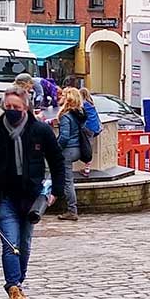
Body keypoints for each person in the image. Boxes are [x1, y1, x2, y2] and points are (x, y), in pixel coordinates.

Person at [0, 89, 70, 299]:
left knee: (24, 245)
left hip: (31, 196)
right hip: (3, 197)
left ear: (26, 108)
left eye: (17, 108)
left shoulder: (40, 130)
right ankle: (13, 289)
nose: (12, 112)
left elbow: (56, 160)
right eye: (9, 107)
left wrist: (56, 191)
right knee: (10, 243)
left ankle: (19, 283)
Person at [55, 87, 92, 219]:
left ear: (68, 99)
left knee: (68, 182)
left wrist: (56, 149)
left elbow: (64, 137)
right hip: (77, 149)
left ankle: (72, 210)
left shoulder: (66, 116)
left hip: (68, 151)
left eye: (63, 95)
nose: (60, 97)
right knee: (65, 179)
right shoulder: (79, 114)